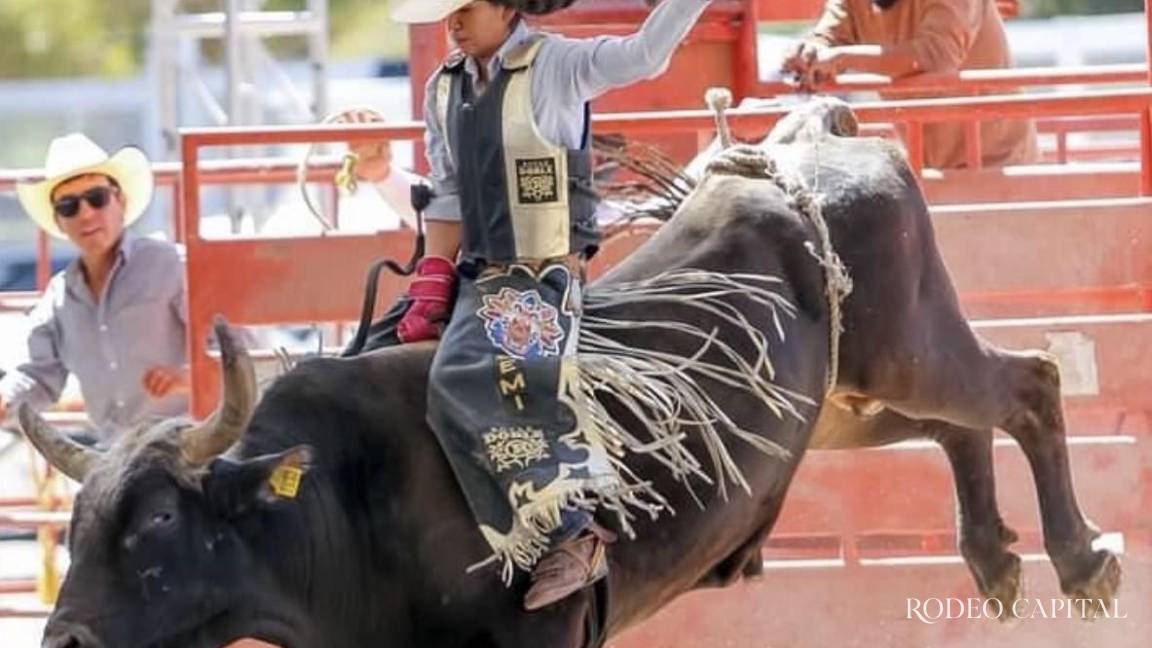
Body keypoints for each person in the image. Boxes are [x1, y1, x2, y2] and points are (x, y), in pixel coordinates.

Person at [376, 0, 715, 610]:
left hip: (540, 278)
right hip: (477, 276)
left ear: (507, 5)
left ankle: (572, 533)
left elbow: (643, 55)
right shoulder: (443, 88)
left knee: (458, 377)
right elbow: (449, 196)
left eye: (465, 8)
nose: (451, 22)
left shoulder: (556, 65)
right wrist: (431, 278)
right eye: (445, 11)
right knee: (368, 361)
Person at [0, 134, 189, 445]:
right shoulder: (60, 299)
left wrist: (189, 378)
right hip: (116, 458)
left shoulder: (171, 266)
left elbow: (236, 356)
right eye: (69, 205)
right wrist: (6, 398)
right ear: (60, 221)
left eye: (97, 198)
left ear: (121, 202)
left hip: (187, 450)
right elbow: (37, 375)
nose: (85, 213)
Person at [781, 0, 1038, 169]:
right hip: (926, 168)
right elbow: (830, 36)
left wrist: (839, 59)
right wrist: (809, 53)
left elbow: (937, 55)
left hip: (999, 166)